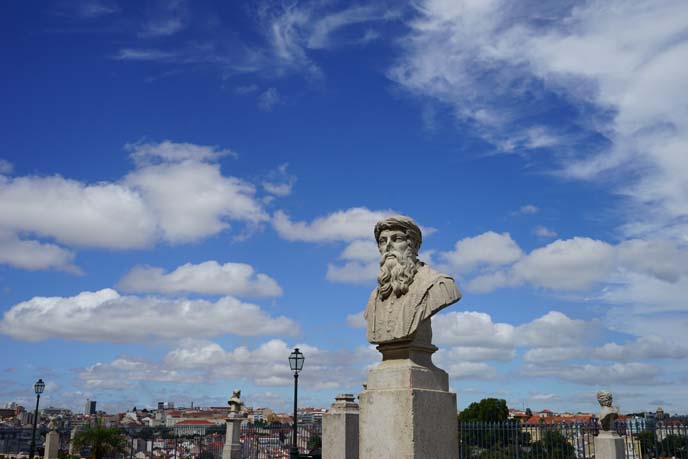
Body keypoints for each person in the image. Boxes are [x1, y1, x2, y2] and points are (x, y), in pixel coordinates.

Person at [364, 215, 461, 345]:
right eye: (382, 241)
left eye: (397, 239)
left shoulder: (440, 284)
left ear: (414, 245)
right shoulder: (374, 297)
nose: (388, 246)